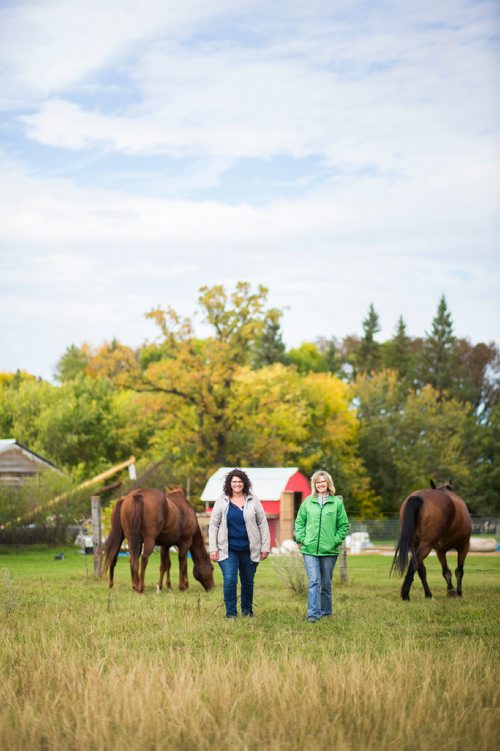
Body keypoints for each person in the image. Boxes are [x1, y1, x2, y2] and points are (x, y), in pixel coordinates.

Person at [209, 468, 270, 618]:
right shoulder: (222, 500)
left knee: (248, 582)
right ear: (229, 483)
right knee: (230, 580)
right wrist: (213, 548)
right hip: (227, 549)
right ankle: (231, 614)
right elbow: (214, 524)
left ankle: (247, 612)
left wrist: (265, 546)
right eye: (234, 481)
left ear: (244, 483)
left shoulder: (253, 500)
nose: (237, 484)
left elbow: (262, 523)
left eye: (240, 481)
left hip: (250, 549)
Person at [294, 469, 349, 623]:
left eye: (323, 482)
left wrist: (335, 540)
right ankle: (313, 615)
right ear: (314, 484)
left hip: (329, 551)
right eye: (317, 482)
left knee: (325, 584)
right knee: (314, 581)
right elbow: (299, 522)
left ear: (328, 483)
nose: (320, 484)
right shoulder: (308, 502)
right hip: (309, 550)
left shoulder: (336, 503)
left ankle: (326, 613)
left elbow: (343, 525)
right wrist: (302, 538)